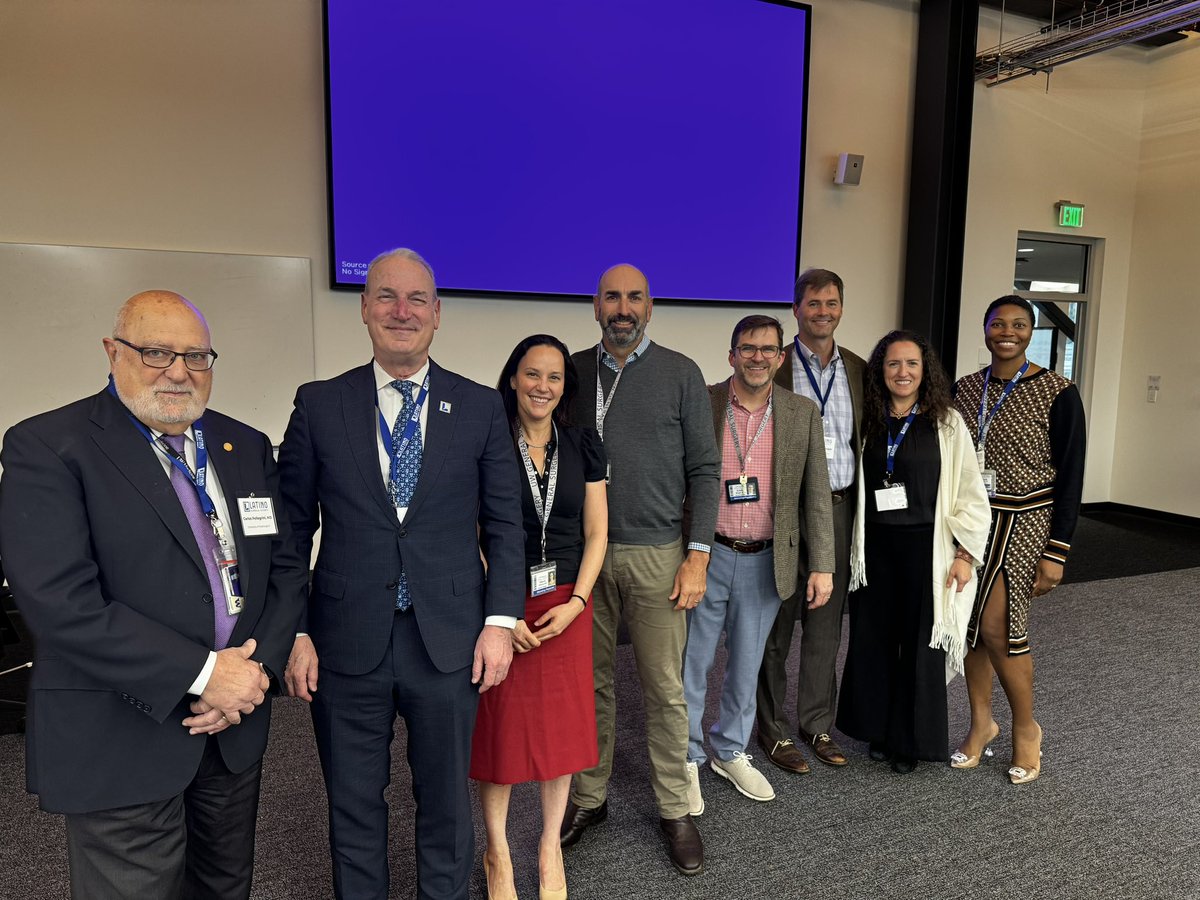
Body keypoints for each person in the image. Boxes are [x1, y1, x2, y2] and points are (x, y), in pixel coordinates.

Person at [0, 290, 308, 898]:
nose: (178, 371)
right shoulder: (48, 446)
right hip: (121, 728)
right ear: (113, 352)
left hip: (233, 727)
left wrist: (254, 674)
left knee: (224, 886)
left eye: (196, 356)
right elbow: (60, 602)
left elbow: (285, 569)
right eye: (156, 352)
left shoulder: (243, 445)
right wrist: (204, 675)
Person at [277, 249, 525, 900]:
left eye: (416, 299)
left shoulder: (478, 408)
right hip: (343, 640)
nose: (401, 311)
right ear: (364, 308)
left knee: (444, 803)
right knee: (353, 805)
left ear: (437, 314)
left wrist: (500, 621)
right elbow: (291, 530)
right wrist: (295, 632)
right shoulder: (319, 405)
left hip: (449, 642)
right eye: (385, 296)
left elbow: (505, 526)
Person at [559, 264, 719, 877]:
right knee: (589, 684)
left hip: (659, 555)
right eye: (611, 297)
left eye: (634, 297)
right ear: (594, 306)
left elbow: (705, 471)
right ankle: (590, 798)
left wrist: (697, 553)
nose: (622, 308)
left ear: (650, 307)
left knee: (664, 689)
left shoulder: (681, 373)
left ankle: (675, 809)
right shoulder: (570, 371)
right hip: (583, 560)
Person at [470, 335, 608, 900]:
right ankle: (497, 850)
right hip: (504, 603)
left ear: (564, 388)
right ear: (512, 379)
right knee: (500, 731)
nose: (542, 387)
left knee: (562, 734)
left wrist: (577, 604)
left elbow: (598, 531)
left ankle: (550, 845)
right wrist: (499, 612)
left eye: (553, 377)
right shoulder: (488, 441)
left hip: (569, 604)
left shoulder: (584, 444)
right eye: (532, 374)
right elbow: (472, 531)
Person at [682, 315, 834, 811]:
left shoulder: (800, 412)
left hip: (767, 561)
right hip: (707, 555)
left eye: (768, 349)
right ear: (731, 355)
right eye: (748, 349)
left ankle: (729, 749)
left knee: (747, 666)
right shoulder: (702, 402)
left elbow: (816, 495)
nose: (758, 358)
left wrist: (823, 564)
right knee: (692, 664)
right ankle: (684, 757)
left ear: (781, 356)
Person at [836, 330, 991, 773]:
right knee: (875, 642)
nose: (902, 372)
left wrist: (964, 555)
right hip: (875, 550)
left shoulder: (946, 423)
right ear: (880, 371)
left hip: (928, 550)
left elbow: (970, 493)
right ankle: (880, 731)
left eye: (911, 364)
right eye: (892, 364)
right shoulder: (869, 420)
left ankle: (911, 740)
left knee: (921, 647)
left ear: (926, 371)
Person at [951, 296, 1086, 784]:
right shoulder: (966, 389)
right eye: (998, 324)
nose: (1007, 332)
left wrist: (1058, 551)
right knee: (967, 627)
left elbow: (1072, 475)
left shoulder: (1058, 390)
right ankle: (981, 724)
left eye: (1019, 325)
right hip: (969, 522)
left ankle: (1026, 729)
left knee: (1000, 628)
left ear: (1031, 332)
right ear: (985, 329)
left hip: (1025, 521)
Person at [757, 267, 866, 773]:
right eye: (814, 303)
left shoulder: (862, 370)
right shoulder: (774, 368)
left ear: (842, 308)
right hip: (782, 515)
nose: (824, 312)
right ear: (795, 309)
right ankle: (772, 729)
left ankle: (817, 723)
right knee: (775, 626)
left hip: (840, 511)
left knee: (826, 625)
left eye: (832, 303)